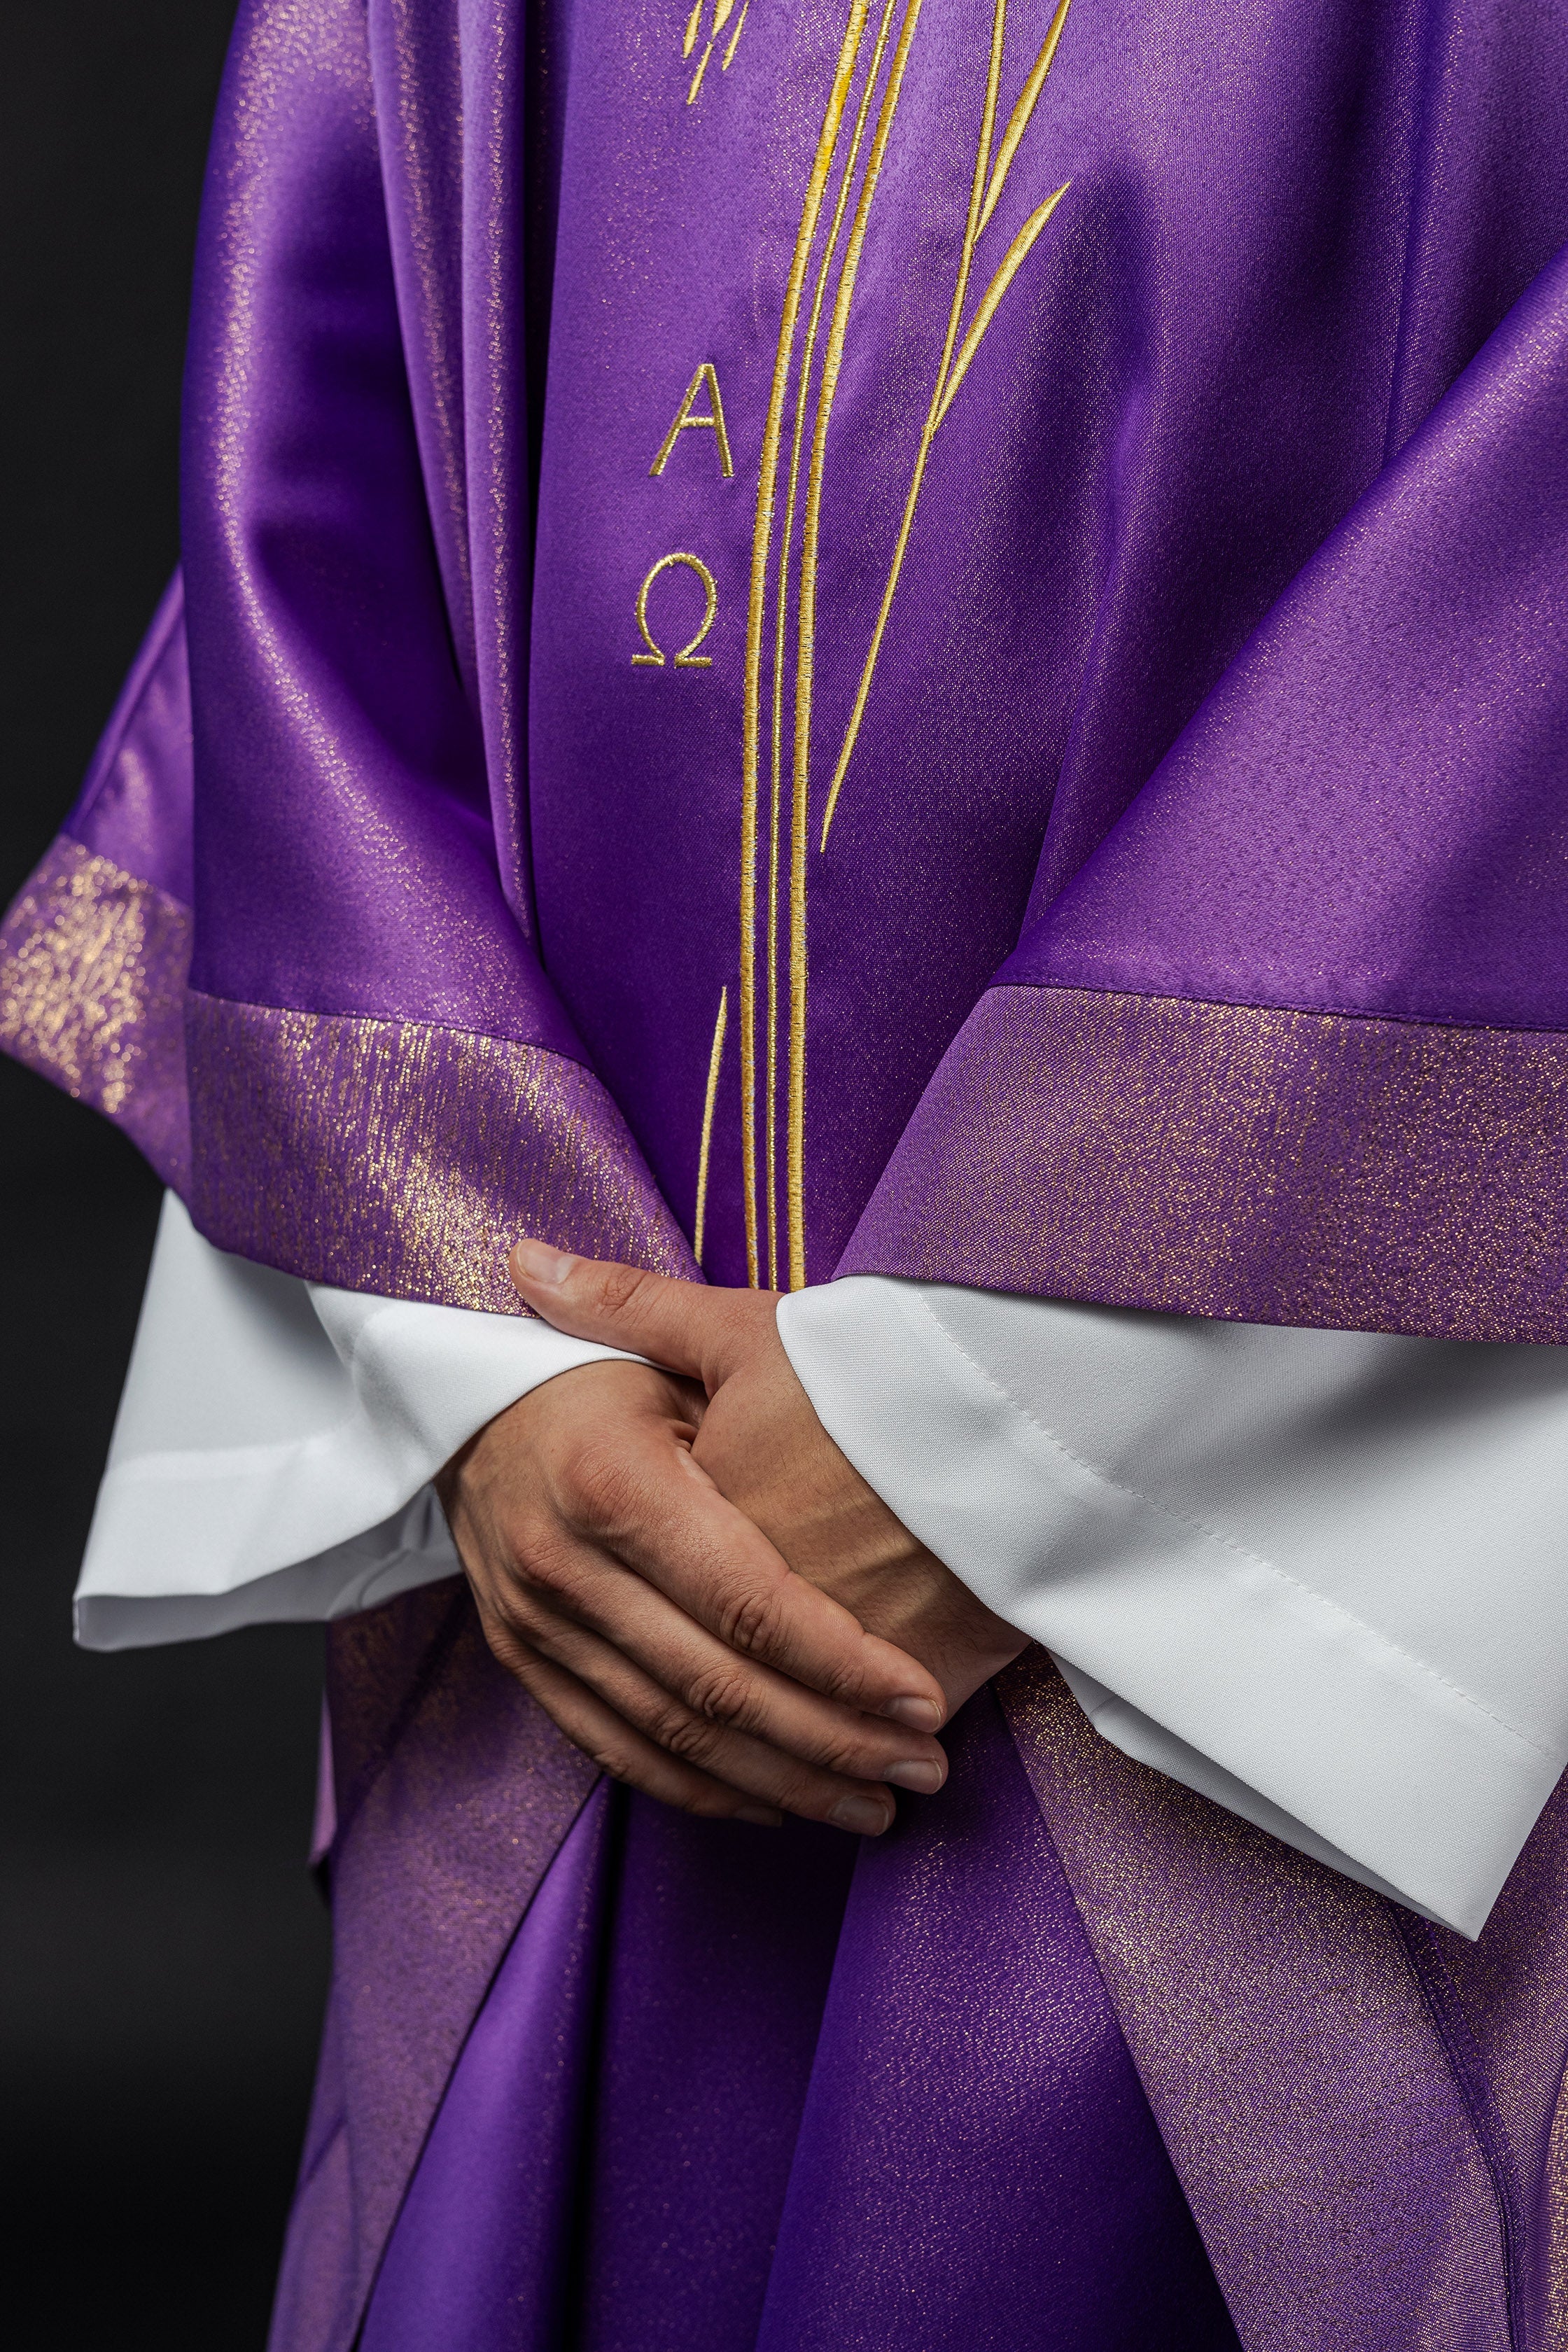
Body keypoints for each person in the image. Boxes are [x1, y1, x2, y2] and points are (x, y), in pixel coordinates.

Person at [6, 0, 1568, 2341]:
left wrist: (1020, 1415)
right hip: (578, 1541)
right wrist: (480, 1339)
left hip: (1245, 1641)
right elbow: (323, 480)